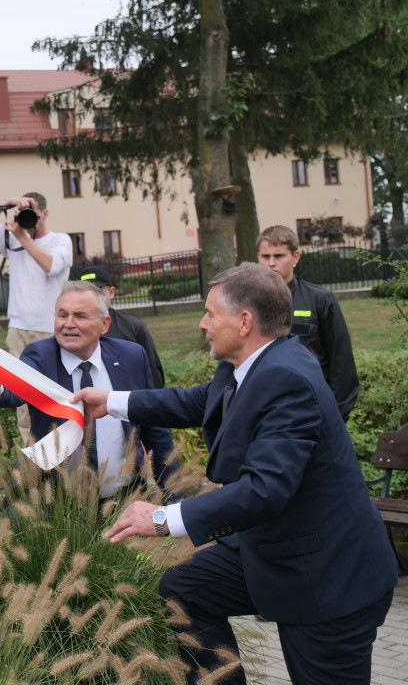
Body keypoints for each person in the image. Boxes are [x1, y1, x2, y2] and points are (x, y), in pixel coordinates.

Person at [73, 264, 396, 685]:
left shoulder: (285, 379)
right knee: (185, 590)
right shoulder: (250, 364)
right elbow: (197, 401)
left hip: (327, 576)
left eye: (210, 313)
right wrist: (111, 401)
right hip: (275, 545)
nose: (202, 324)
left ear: (245, 322)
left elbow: (265, 490)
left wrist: (161, 519)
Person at [0, 281, 177, 500]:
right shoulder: (41, 355)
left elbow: (154, 426)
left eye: (80, 316)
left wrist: (174, 493)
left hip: (123, 498)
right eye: (62, 315)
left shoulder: (131, 356)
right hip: (55, 505)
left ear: (104, 324)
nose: (69, 324)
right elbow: (17, 387)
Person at [0, 192, 74, 442]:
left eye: (34, 213)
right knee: (21, 394)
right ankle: (30, 458)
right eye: (25, 213)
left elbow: (51, 266)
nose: (30, 219)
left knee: (57, 392)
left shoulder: (60, 240)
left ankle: (64, 448)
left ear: (46, 214)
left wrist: (22, 237)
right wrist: (3, 205)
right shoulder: (12, 239)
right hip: (18, 328)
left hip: (51, 331)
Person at [256, 224, 359, 420]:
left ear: (295, 257)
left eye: (279, 256)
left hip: (314, 409)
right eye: (265, 257)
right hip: (265, 411)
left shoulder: (320, 300)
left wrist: (334, 418)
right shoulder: (247, 304)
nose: (271, 263)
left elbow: (343, 366)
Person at [78, 264, 165, 388]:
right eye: (86, 292)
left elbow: (153, 374)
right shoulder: (70, 331)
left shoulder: (134, 328)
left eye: (99, 291)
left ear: (111, 292)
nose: (93, 297)